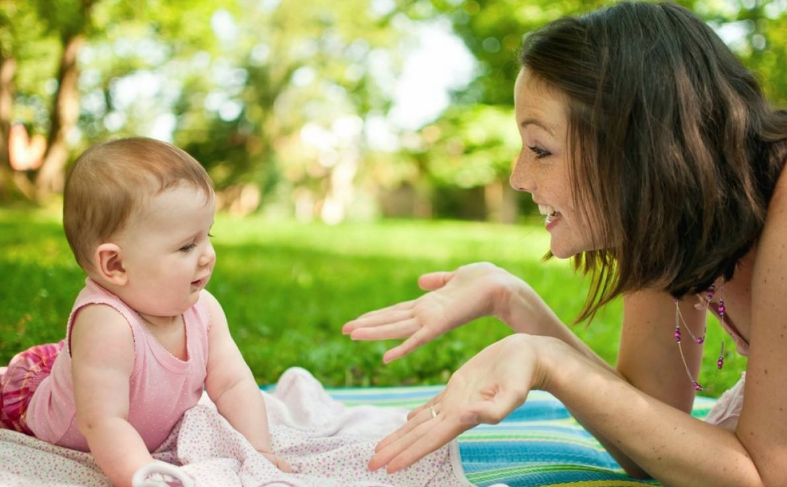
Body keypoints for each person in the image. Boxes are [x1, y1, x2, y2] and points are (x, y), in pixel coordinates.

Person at [342, 2, 787, 486]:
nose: (517, 177)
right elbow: (650, 444)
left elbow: (765, 477)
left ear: (638, 149)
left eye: (540, 149)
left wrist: (552, 362)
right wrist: (513, 302)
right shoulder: (672, 222)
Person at [0, 138, 291, 487]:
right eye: (187, 245)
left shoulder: (205, 310)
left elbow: (233, 382)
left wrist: (259, 449)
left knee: (94, 366)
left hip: (99, 368)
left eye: (207, 235)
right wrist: (144, 477)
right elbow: (105, 422)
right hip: (38, 397)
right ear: (116, 264)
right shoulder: (106, 325)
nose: (208, 255)